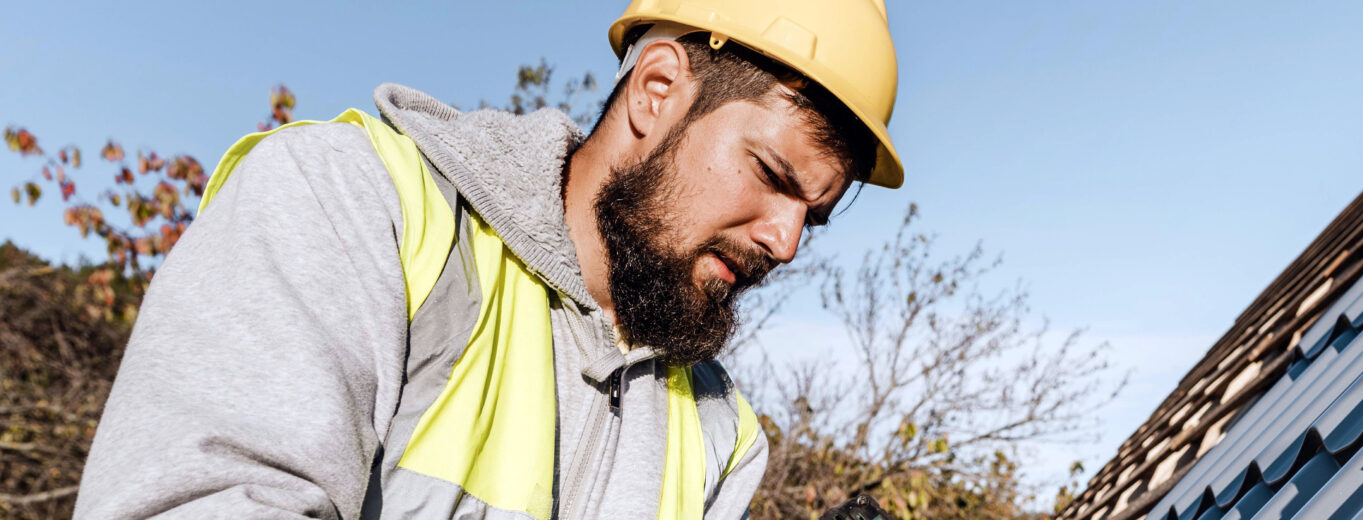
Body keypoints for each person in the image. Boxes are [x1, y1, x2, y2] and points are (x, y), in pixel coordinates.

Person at [73, 1, 904, 518]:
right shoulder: (358, 208)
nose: (786, 243)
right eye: (773, 177)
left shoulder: (722, 434)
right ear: (657, 91)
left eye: (814, 219)